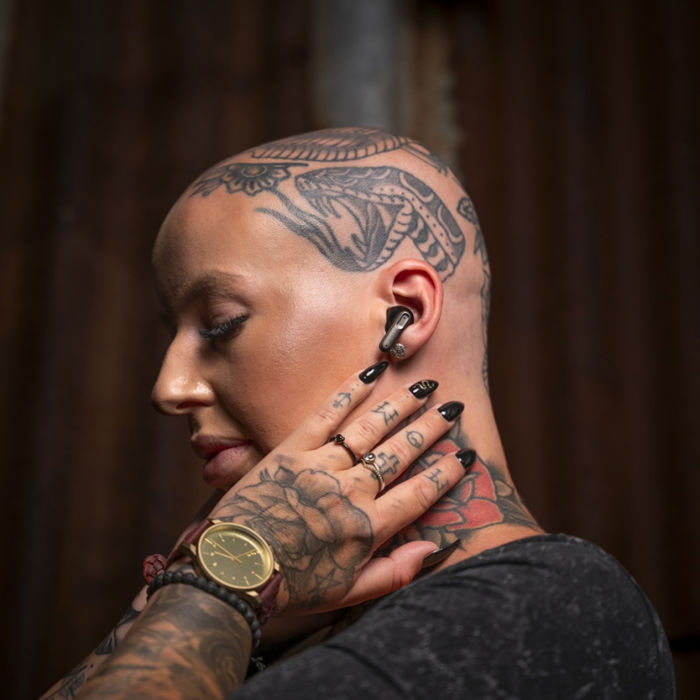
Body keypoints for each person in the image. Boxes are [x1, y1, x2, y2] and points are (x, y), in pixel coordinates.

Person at [44, 127, 674, 698]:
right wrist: (207, 597)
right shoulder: (262, 625)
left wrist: (228, 571)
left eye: (220, 323)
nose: (170, 388)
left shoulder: (546, 609)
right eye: (172, 335)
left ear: (405, 312)